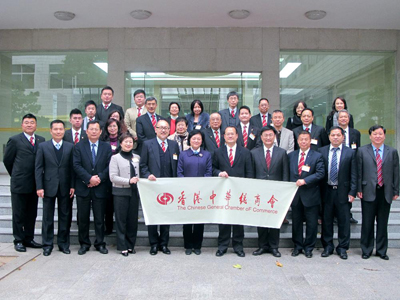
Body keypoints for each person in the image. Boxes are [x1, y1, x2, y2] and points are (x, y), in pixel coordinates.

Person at [4, 113, 45, 252]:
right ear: (22, 125)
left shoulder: (41, 140)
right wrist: (16, 175)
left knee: (31, 213)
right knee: (18, 213)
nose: (29, 125)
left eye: (32, 122)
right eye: (26, 122)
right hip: (19, 183)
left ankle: (29, 238)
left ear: (36, 125)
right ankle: (18, 240)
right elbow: (7, 160)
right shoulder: (14, 140)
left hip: (35, 184)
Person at [357, 125, 399, 260]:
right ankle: (366, 250)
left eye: (380, 134)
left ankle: (381, 251)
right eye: (375, 134)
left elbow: (396, 173)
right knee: (367, 222)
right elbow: (359, 172)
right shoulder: (362, 151)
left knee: (382, 223)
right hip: (368, 190)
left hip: (385, 191)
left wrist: (396, 190)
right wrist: (358, 189)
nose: (378, 136)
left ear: (384, 136)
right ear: (370, 136)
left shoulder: (392, 151)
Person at [140, 120, 180, 255]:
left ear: (169, 130)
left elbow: (177, 165)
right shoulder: (147, 144)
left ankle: (164, 244)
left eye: (166, 128)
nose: (163, 130)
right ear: (155, 129)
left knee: (166, 216)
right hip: (152, 186)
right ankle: (154, 244)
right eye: (160, 128)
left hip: (169, 187)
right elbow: (143, 165)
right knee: (152, 215)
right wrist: (148, 175)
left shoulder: (174, 145)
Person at [35, 120, 75, 256]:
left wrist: (72, 185)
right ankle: (47, 244)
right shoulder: (43, 146)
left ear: (64, 131)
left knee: (65, 216)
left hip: (65, 186)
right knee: (47, 217)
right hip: (48, 186)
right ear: (50, 131)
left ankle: (63, 244)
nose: (58, 131)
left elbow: (72, 168)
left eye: (61, 129)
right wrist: (39, 186)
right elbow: (38, 167)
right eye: (55, 129)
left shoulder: (70, 146)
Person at [212, 126, 253, 257]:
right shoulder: (218, 152)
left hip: (240, 192)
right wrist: (219, 173)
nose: (230, 136)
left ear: (237, 136)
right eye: (227, 134)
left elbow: (249, 172)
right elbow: (212, 168)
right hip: (223, 192)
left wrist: (247, 190)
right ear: (224, 136)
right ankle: (222, 246)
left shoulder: (245, 152)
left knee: (238, 220)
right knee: (223, 220)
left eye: (232, 134)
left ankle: (238, 246)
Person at [73, 120, 112, 255]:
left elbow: (109, 166)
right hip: (83, 187)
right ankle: (84, 243)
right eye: (91, 129)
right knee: (83, 218)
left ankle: (100, 243)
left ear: (101, 132)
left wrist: (99, 178)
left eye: (97, 129)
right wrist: (89, 178)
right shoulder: (79, 146)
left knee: (99, 218)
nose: (94, 131)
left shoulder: (106, 147)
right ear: (87, 131)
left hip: (100, 187)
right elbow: (76, 165)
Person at [318, 126, 357, 260]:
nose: (335, 137)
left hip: (343, 192)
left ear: (343, 137)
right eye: (333, 135)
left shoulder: (350, 153)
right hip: (326, 191)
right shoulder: (321, 151)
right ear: (329, 137)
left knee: (344, 221)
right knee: (327, 220)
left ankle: (342, 248)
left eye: (338, 135)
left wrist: (352, 192)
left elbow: (354, 174)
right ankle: (327, 246)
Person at [251, 126, 289, 257]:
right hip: (259, 193)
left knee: (274, 220)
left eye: (270, 135)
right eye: (265, 135)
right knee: (261, 220)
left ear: (275, 137)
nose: (268, 138)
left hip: (276, 193)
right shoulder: (254, 152)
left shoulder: (282, 152)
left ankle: (274, 247)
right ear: (261, 137)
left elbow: (285, 174)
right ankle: (262, 246)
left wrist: (284, 192)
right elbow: (251, 174)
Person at [288, 130, 325, 258]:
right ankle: (297, 246)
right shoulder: (291, 156)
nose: (303, 141)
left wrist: (305, 181)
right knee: (296, 223)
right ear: (298, 141)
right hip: (296, 196)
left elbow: (320, 173)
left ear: (310, 141)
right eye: (301, 139)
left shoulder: (317, 156)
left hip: (311, 195)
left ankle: (309, 247)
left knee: (311, 223)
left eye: (306, 139)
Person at [177, 129, 212, 255]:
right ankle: (187, 245)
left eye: (198, 139)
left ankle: (197, 245)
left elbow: (209, 172)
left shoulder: (207, 155)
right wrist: (187, 186)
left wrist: (202, 187)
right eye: (194, 139)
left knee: (199, 220)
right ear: (189, 140)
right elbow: (179, 173)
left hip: (201, 193)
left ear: (202, 141)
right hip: (187, 192)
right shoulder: (183, 154)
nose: (196, 141)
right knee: (187, 220)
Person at [109, 133, 140, 256]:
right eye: (126, 142)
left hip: (134, 192)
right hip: (120, 192)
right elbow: (112, 177)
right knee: (121, 220)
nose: (128, 144)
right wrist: (128, 181)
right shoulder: (115, 158)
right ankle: (122, 246)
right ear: (120, 143)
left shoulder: (137, 157)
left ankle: (131, 245)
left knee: (132, 220)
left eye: (130, 142)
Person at [101, 118, 124, 235]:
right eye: (110, 126)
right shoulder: (103, 141)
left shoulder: (123, 140)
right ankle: (108, 227)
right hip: (106, 175)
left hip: (120, 175)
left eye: (114, 126)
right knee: (108, 204)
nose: (112, 128)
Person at [338, 109, 361, 224]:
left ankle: (349, 214)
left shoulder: (355, 133)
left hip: (351, 162)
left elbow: (358, 149)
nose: (343, 119)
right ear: (337, 120)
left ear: (349, 119)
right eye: (341, 117)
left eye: (345, 117)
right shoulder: (334, 132)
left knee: (349, 188)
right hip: (337, 163)